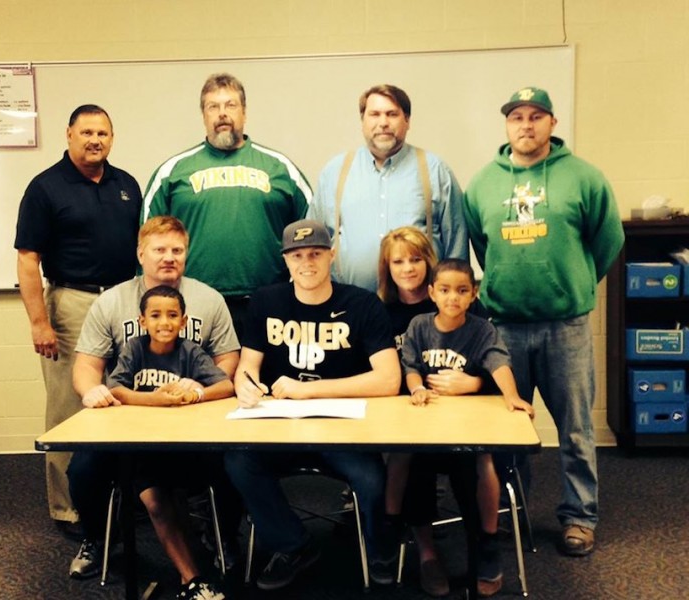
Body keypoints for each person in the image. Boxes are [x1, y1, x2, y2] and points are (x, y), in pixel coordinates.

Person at [463, 87, 624, 557]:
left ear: (552, 123)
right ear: (507, 125)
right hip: (504, 328)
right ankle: (514, 515)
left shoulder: (584, 178)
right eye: (517, 116)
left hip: (566, 327)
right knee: (508, 430)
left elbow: (607, 241)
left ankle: (579, 517)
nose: (526, 125)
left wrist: (573, 282)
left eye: (536, 116)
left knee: (575, 428)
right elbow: (481, 244)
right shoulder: (482, 184)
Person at [224, 218, 402, 592]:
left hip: (343, 428)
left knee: (371, 480)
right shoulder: (266, 300)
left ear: (331, 256)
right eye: (298, 255)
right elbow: (248, 367)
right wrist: (246, 386)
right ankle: (294, 545)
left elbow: (388, 380)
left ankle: (380, 551)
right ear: (286, 260)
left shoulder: (362, 304)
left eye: (316, 254)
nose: (307, 262)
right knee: (238, 460)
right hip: (279, 425)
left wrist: (313, 390)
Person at [67, 215, 241, 580]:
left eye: (177, 250)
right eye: (159, 250)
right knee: (83, 468)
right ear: (140, 253)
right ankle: (96, 538)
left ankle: (222, 534)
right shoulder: (112, 301)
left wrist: (197, 391)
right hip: (128, 419)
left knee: (237, 462)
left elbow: (227, 360)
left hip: (194, 420)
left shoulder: (209, 300)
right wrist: (92, 390)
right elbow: (87, 364)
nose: (169, 257)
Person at [14, 104, 142, 531]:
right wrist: (38, 322)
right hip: (71, 304)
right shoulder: (45, 188)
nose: (95, 140)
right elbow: (28, 260)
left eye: (102, 133)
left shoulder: (127, 185)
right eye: (86, 132)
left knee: (125, 399)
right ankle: (70, 509)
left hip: (124, 301)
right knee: (69, 408)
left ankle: (127, 499)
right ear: (68, 134)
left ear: (112, 137)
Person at [83, 285, 231, 600]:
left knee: (182, 494)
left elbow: (226, 385)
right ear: (142, 321)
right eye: (156, 315)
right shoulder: (134, 349)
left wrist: (196, 394)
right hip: (141, 451)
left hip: (182, 448)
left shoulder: (190, 351)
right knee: (156, 503)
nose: (164, 322)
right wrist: (156, 400)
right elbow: (118, 390)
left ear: (184, 320)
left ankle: (196, 573)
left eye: (172, 315)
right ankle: (193, 580)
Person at [397, 258, 534, 597]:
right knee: (414, 467)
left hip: (469, 429)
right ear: (431, 293)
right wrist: (416, 388)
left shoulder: (482, 329)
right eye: (444, 290)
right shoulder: (418, 325)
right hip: (427, 427)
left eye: (461, 291)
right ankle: (427, 553)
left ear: (474, 294)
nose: (452, 298)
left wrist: (511, 395)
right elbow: (410, 366)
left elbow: (498, 363)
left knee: (482, 462)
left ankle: (486, 541)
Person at [141, 72, 313, 335]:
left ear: (244, 112)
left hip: (270, 300)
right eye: (213, 106)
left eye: (230, 105)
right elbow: (147, 240)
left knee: (261, 376)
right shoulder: (173, 171)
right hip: (193, 302)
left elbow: (312, 232)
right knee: (198, 376)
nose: (222, 113)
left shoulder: (280, 168)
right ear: (204, 116)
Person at [309, 84, 468, 292]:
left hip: (419, 308)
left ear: (407, 121)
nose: (383, 123)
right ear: (362, 121)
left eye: (392, 114)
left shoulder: (434, 170)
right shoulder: (335, 172)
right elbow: (313, 242)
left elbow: (456, 243)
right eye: (374, 114)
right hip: (350, 306)